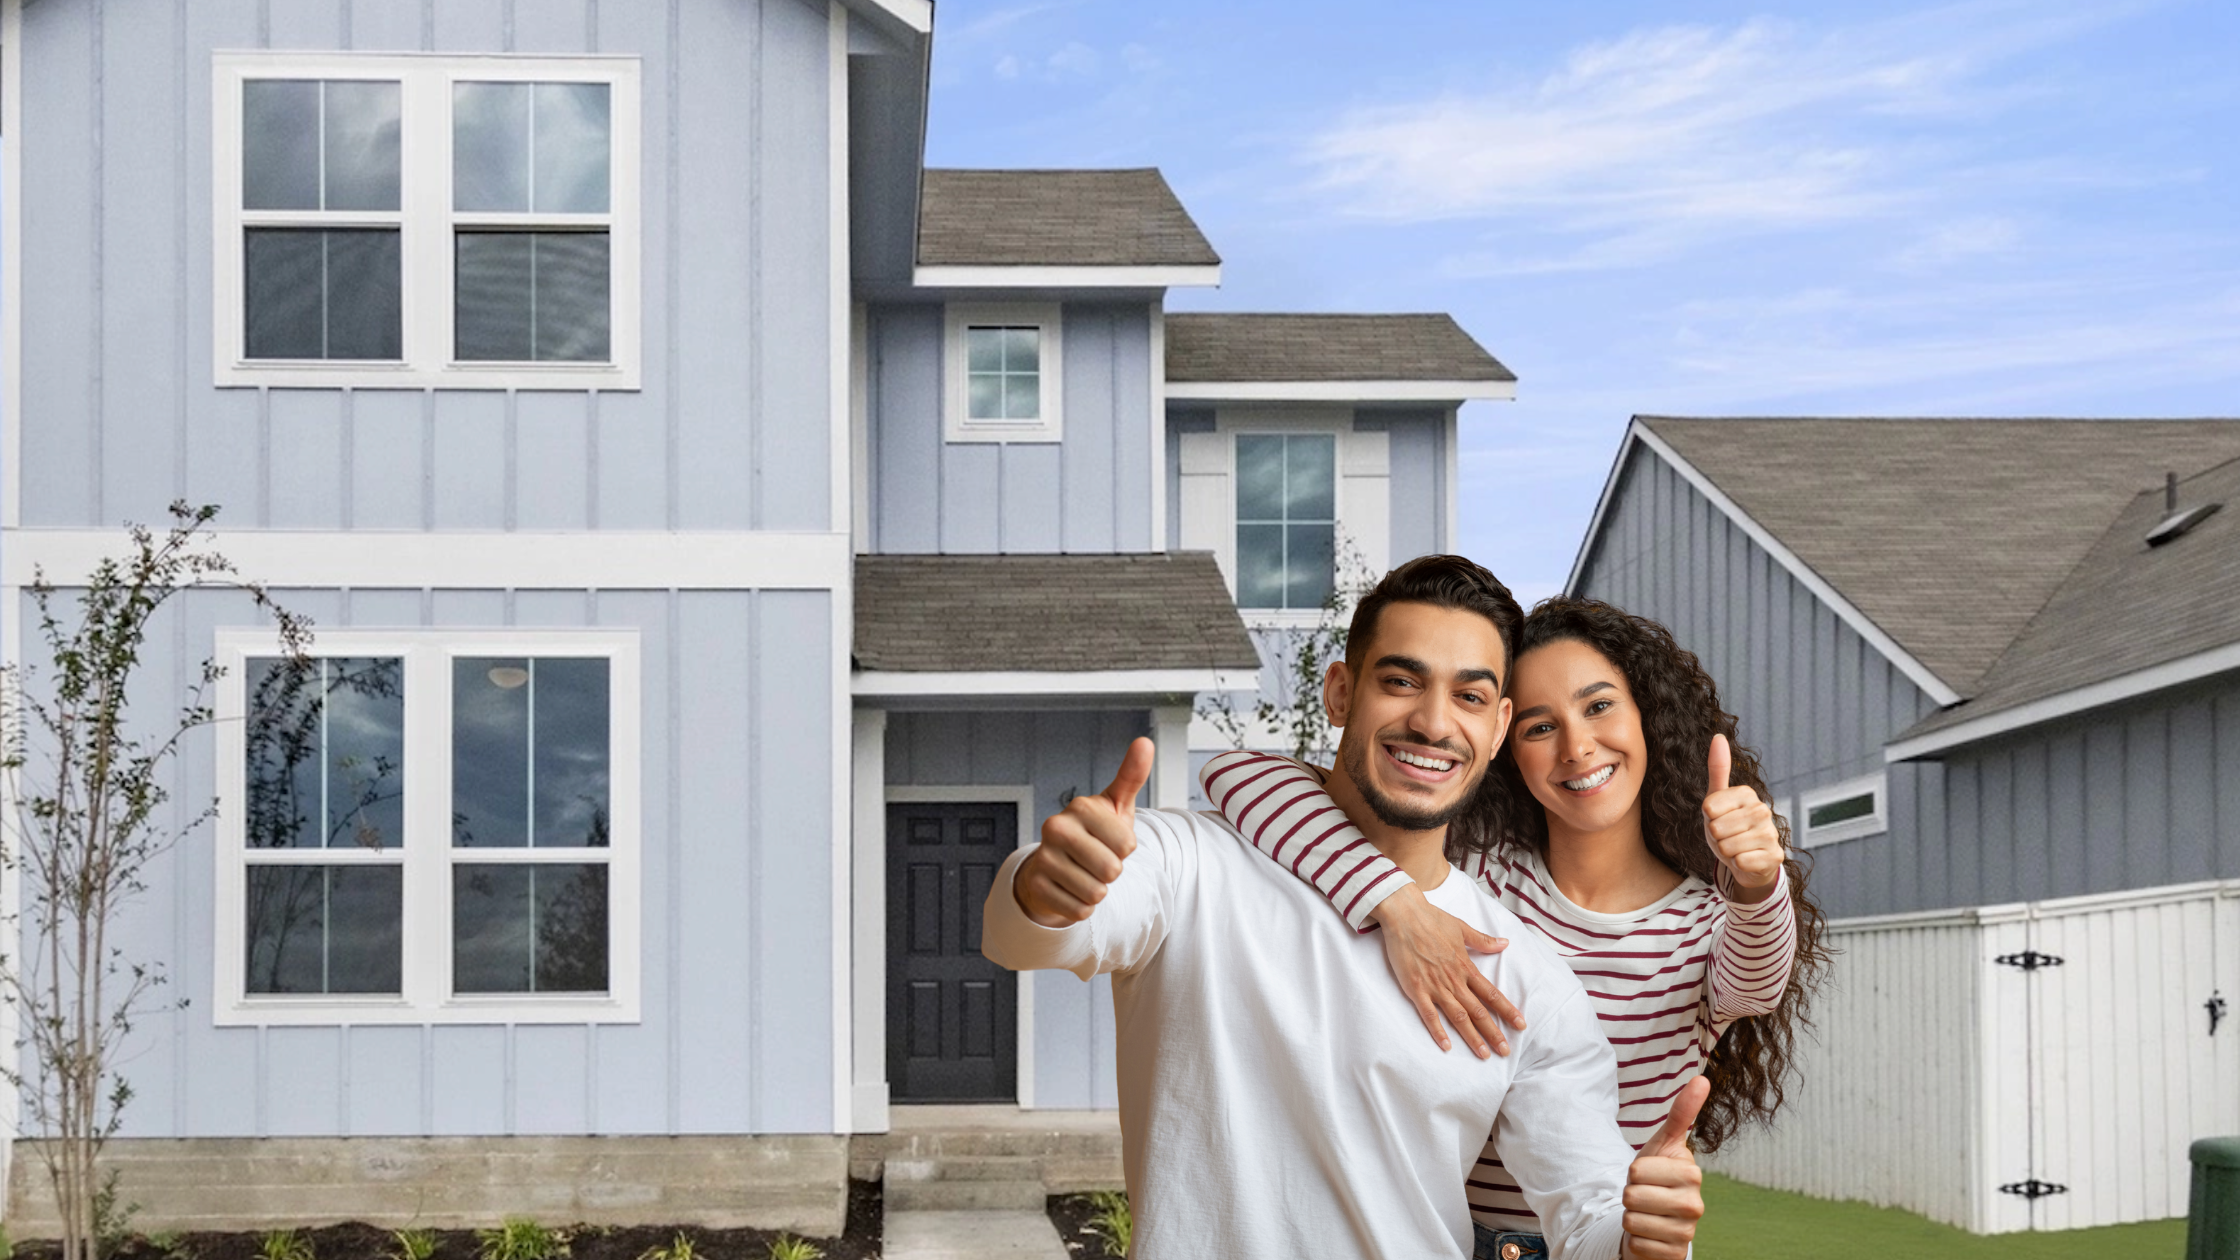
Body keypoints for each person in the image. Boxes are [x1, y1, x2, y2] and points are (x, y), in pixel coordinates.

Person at [980, 556, 1707, 1260]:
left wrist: (1645, 1237)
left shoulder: (1527, 980)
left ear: (1497, 729)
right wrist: (1049, 885)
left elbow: (1588, 1220)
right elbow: (1031, 935)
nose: (1432, 721)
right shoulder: (1190, 866)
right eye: (1400, 681)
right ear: (1339, 693)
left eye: (1470, 696)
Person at [1201, 594, 1829, 1257]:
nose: (1578, 747)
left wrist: (1758, 882)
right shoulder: (1477, 877)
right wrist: (1396, 901)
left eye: (1598, 706)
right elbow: (1240, 775)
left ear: (1648, 716)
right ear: (1504, 746)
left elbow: (1758, 982)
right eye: (1539, 727)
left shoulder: (1700, 925)